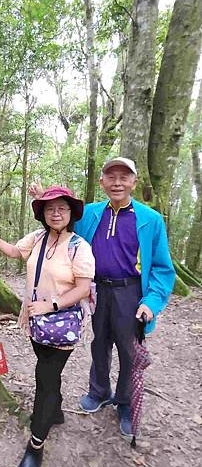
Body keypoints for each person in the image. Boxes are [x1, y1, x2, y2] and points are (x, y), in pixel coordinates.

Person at [30, 157, 176, 438]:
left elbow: (161, 267)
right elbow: (61, 218)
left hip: (130, 293)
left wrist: (151, 302)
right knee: (100, 343)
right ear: (102, 182)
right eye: (111, 177)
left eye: (124, 177)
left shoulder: (150, 220)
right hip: (97, 291)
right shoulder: (93, 214)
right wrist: (41, 197)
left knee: (128, 350)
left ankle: (123, 402)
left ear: (134, 182)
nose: (117, 182)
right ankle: (98, 391)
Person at [0, 186, 95, 467]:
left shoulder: (79, 247)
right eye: (49, 209)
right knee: (49, 372)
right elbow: (14, 252)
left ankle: (35, 447)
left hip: (60, 324)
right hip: (35, 323)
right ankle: (55, 408)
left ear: (71, 213)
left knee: (44, 379)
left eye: (62, 208)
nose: (56, 213)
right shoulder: (36, 238)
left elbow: (83, 288)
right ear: (42, 214)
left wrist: (53, 304)